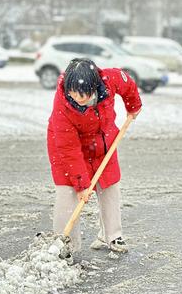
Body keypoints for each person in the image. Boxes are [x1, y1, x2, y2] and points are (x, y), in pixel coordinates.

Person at [47, 58, 141, 255]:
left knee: (109, 186)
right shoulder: (62, 107)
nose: (78, 98)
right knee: (69, 193)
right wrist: (81, 184)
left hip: (104, 143)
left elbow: (128, 85)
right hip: (67, 148)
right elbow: (69, 149)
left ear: (94, 86)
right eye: (73, 93)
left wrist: (133, 105)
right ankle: (66, 246)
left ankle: (112, 235)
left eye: (83, 94)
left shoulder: (110, 79)